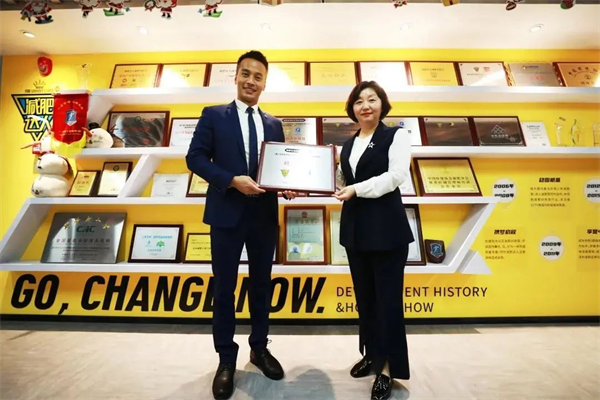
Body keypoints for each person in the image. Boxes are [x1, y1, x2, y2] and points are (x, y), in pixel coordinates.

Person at [186, 50, 296, 400]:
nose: (251, 81)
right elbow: (195, 158)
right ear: (235, 77)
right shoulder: (213, 115)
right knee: (224, 289)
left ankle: (259, 348)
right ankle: (226, 359)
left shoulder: (274, 123)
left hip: (263, 216)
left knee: (262, 285)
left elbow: (278, 167)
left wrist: (286, 184)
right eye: (245, 74)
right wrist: (231, 180)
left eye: (258, 76)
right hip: (226, 214)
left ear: (265, 83)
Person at [334, 81, 414, 400]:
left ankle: (387, 369)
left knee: (387, 302)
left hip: (386, 230)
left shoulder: (396, 136)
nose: (365, 106)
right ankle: (371, 354)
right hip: (356, 231)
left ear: (382, 104)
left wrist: (356, 189)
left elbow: (396, 176)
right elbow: (342, 180)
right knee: (365, 299)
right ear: (351, 108)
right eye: (358, 101)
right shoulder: (347, 144)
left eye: (372, 99)